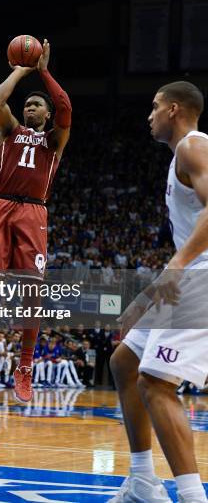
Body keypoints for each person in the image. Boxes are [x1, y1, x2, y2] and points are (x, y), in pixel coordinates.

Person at [110, 82, 208, 503]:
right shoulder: (180, 158)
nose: (148, 115)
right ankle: (142, 481)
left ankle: (191, 497)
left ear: (173, 109)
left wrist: (176, 267)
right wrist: (145, 298)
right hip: (189, 273)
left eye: (153, 107)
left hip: (201, 275)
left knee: (155, 383)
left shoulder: (193, 146)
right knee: (123, 363)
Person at [0, 39, 72, 402]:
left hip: (34, 211)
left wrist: (44, 73)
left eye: (35, 105)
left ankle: (25, 368)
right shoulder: (9, 131)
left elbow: (66, 109)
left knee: (33, 296)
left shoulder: (55, 140)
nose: (29, 108)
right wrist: (20, 70)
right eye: (27, 104)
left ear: (45, 115)